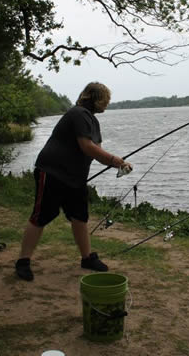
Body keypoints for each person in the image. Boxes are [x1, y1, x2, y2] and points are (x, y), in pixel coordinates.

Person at [15, 82, 132, 281]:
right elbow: (87, 146)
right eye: (106, 99)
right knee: (41, 215)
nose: (108, 103)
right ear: (96, 98)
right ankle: (23, 261)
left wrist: (118, 165)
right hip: (52, 172)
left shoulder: (93, 121)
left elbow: (96, 149)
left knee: (80, 217)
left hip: (75, 178)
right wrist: (115, 161)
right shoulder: (78, 114)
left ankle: (87, 258)